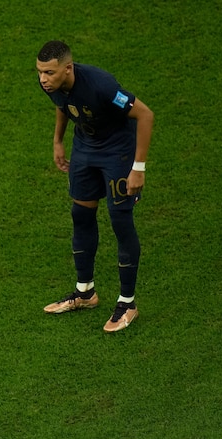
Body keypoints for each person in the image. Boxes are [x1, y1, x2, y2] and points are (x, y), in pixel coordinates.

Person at [36, 40, 154, 332]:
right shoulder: (51, 84)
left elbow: (145, 115)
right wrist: (58, 141)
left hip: (118, 153)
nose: (43, 79)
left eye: (49, 73)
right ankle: (85, 292)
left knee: (120, 221)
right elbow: (63, 104)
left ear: (68, 68)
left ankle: (128, 303)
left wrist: (138, 168)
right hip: (86, 149)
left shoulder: (102, 86)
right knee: (81, 214)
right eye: (39, 72)